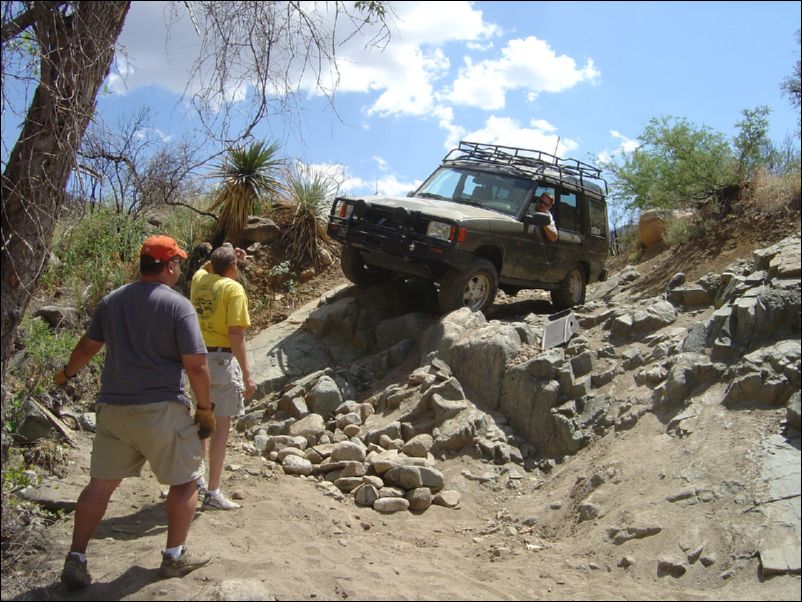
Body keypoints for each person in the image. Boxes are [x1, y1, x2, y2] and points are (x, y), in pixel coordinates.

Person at [55, 235, 216, 590]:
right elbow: (196, 365)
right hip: (161, 409)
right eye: (177, 263)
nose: (179, 269)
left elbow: (88, 347)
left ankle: (76, 557)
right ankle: (174, 556)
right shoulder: (178, 306)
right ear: (169, 267)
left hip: (113, 408)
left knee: (100, 485)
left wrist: (66, 374)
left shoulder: (112, 301)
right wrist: (205, 409)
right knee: (185, 481)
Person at [190, 243, 256, 511]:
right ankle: (213, 491)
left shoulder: (199, 281)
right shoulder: (233, 289)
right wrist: (248, 375)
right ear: (234, 267)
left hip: (196, 360)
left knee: (202, 421)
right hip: (221, 361)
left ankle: (195, 481)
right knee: (220, 428)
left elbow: (205, 267)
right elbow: (236, 334)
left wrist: (225, 254)